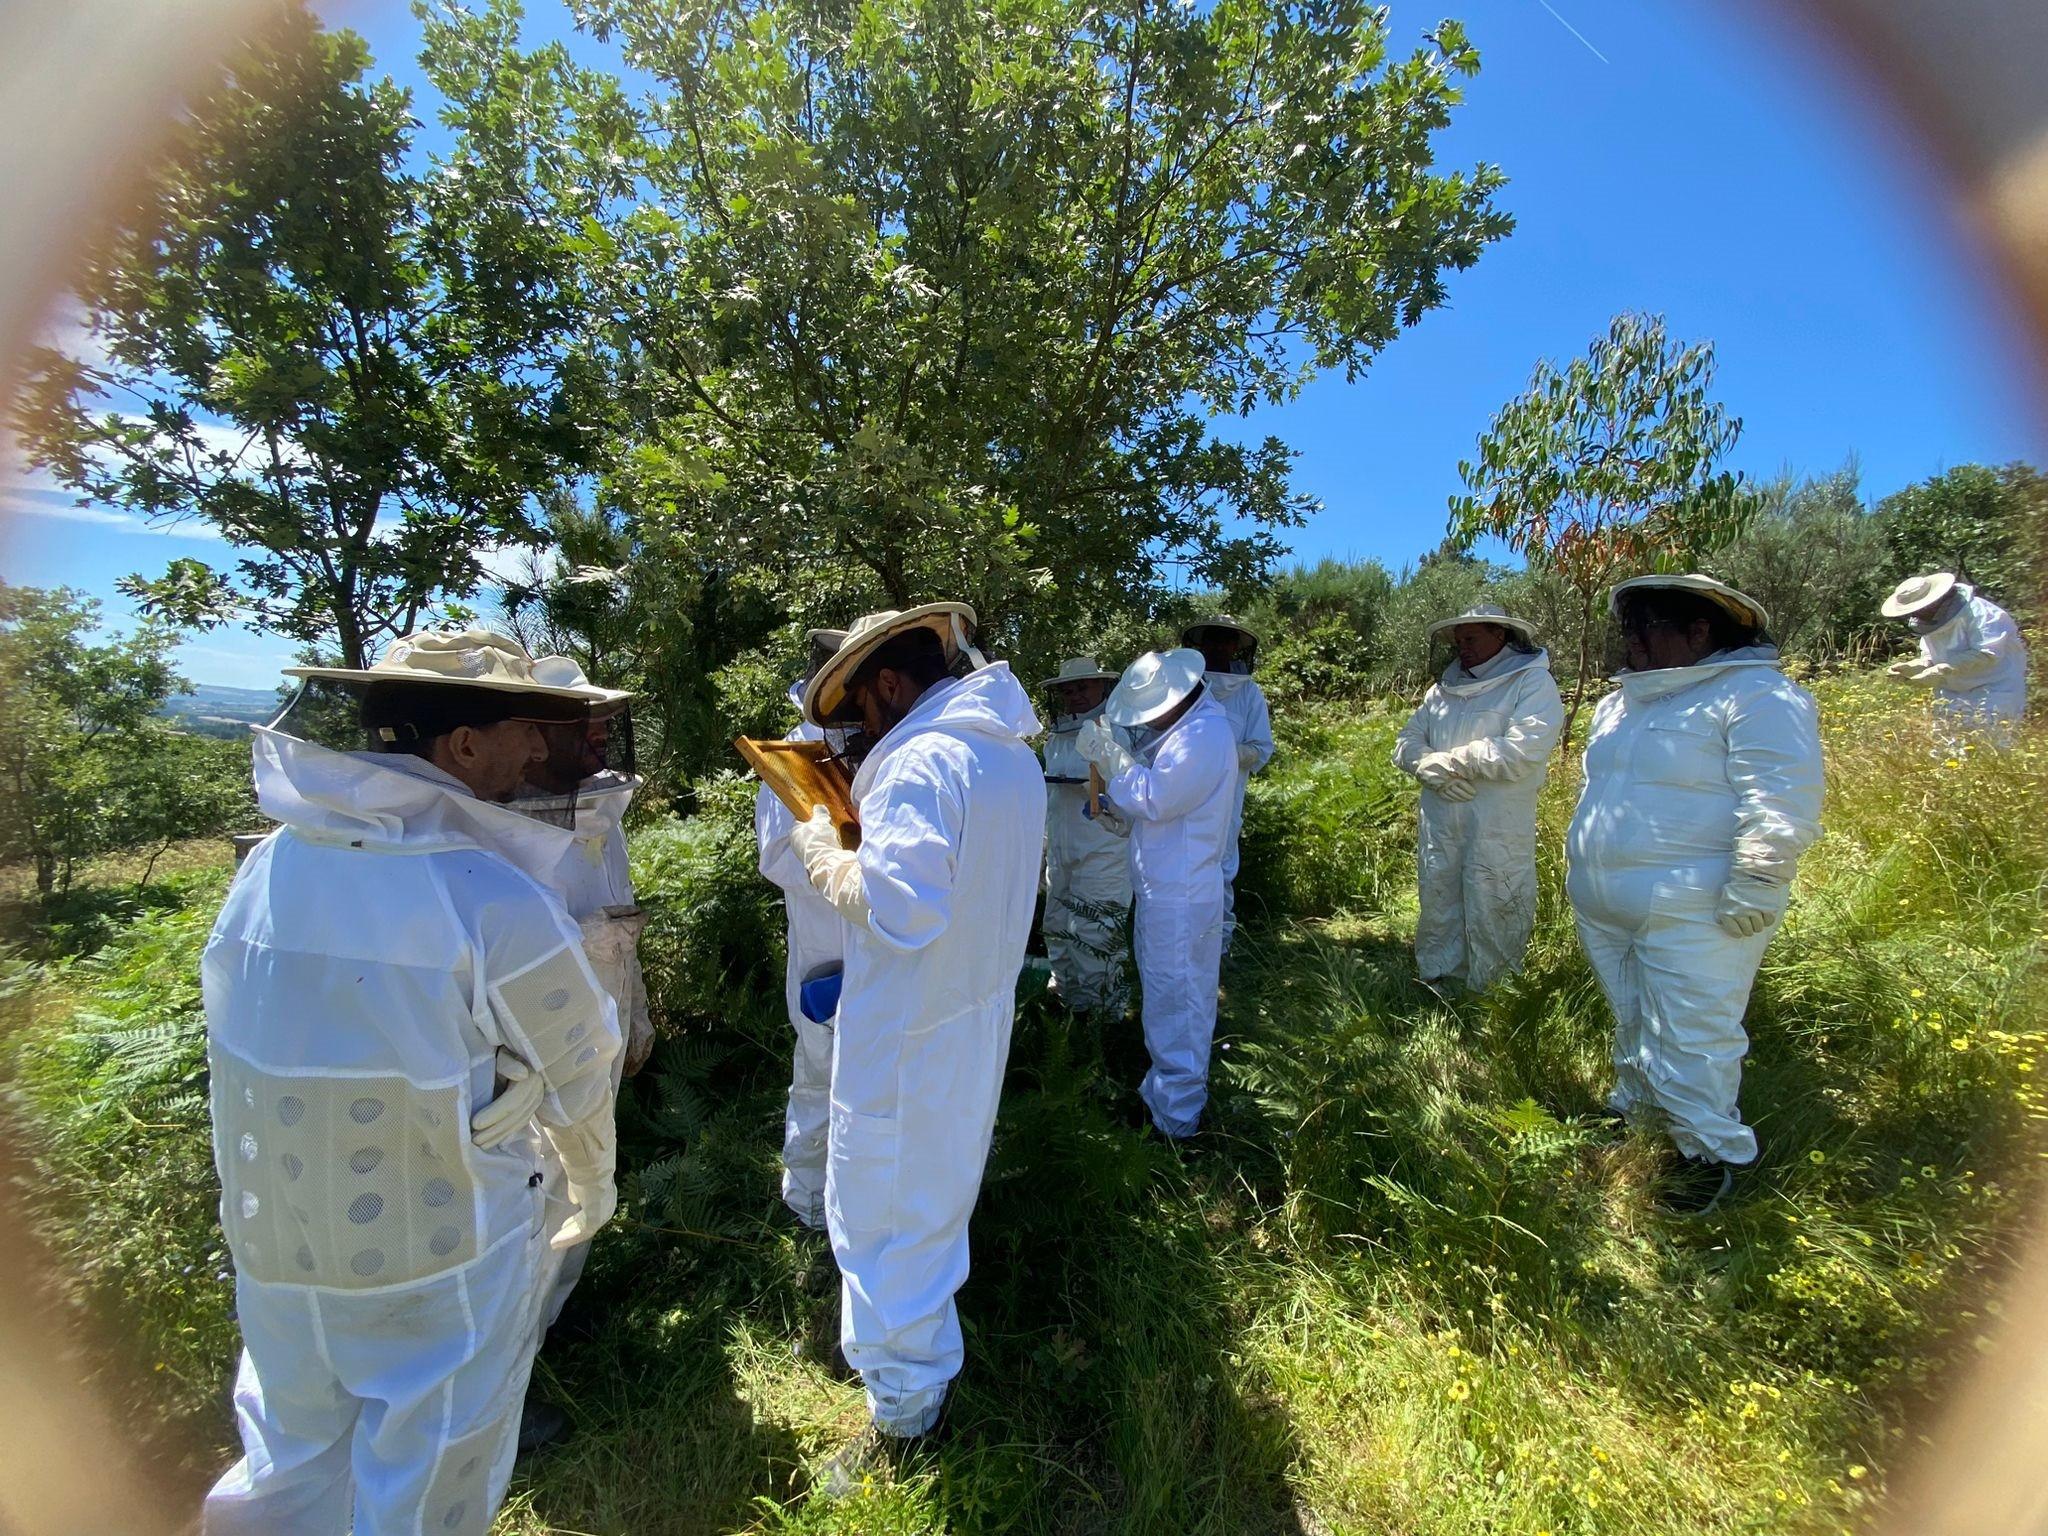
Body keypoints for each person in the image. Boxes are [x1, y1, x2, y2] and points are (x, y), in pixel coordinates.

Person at [202, 630, 622, 1536]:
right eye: (525, 728)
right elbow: (581, 1062)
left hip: (277, 1241)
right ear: (464, 745)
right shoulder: (485, 895)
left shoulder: (272, 864)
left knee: (287, 1462)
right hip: (440, 1257)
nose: (538, 749)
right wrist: (594, 1183)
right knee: (430, 1483)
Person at [785, 604, 1044, 1493]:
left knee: (883, 1220)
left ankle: (904, 1414)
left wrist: (826, 855)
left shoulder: (920, 760)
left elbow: (903, 908)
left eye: (859, 708)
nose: (859, 730)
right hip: (965, 1021)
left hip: (905, 1042)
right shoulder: (1005, 755)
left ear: (889, 684)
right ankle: (914, 1366)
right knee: (928, 1208)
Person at [1566, 576, 1823, 1216]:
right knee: (1632, 1016)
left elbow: (1781, 796)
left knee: (1695, 1031)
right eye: (1627, 627)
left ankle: (1704, 1155)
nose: (1630, 640)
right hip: (1608, 901)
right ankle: (1638, 1112)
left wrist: (1760, 878)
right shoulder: (1619, 704)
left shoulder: (1758, 696)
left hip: (1698, 906)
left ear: (1700, 630)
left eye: (1645, 626)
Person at [503, 656, 650, 1447]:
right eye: (580, 723)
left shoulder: (600, 807)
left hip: (597, 1028)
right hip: (529, 1058)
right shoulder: (492, 825)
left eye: (601, 721)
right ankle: (503, 1386)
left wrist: (637, 1014)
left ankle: (548, 1328)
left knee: (580, 1193)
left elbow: (619, 917)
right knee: (533, 1201)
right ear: (532, 735)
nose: (597, 735)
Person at [1075, 647, 1237, 1140]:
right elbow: (1163, 812)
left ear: (1177, 697)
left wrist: (1110, 757)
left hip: (1181, 897)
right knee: (1166, 997)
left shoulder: (1204, 734)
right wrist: (1117, 814)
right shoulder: (1184, 732)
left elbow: (1157, 796)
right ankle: (1163, 1098)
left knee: (1180, 1003)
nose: (1148, 721)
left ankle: (1178, 1123)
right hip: (1167, 893)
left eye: (1152, 710)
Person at [1392, 606, 1564, 993]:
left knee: (1496, 896)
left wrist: (1450, 762)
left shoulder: (1532, 682)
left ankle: (1494, 996)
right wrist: (1423, 764)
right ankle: (1440, 982)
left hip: (1497, 821)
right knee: (1439, 895)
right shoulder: (1441, 691)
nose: (1462, 648)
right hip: (1441, 818)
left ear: (1499, 635)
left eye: (1471, 638)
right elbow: (1406, 740)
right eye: (1458, 641)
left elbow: (1523, 750)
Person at [754, 628, 850, 1232]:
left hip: (881, 943)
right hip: (825, 943)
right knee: (819, 1074)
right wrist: (842, 864)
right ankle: (810, 1198)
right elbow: (777, 859)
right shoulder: (791, 757)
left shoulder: (881, 744)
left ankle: (856, 1199)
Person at [1038, 656, 1134, 1014]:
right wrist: (1044, 848)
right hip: (1062, 851)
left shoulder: (1115, 732)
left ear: (1102, 687)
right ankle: (1067, 1005)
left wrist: (1096, 788)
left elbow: (1130, 792)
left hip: (1103, 850)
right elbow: (1052, 798)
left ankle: (1104, 1017)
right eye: (1068, 690)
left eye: (1083, 687)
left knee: (1096, 931)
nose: (1075, 695)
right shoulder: (1056, 738)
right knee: (1057, 926)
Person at [1181, 616, 1274, 944]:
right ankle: (1182, 945)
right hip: (1179, 797)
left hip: (1225, 801)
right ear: (1201, 644)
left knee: (1218, 868)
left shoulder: (1249, 693)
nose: (1219, 647)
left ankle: (1218, 947)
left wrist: (1222, 752)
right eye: (1213, 639)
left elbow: (1261, 748)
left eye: (1226, 640)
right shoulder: (1183, 687)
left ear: (1236, 647)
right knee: (1179, 868)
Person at [1882, 571, 2028, 745]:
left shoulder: (1980, 613)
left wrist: (1941, 670)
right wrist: (1914, 667)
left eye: (1919, 609)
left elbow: (1987, 653)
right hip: (1950, 691)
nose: (1916, 614)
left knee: (1991, 745)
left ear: (1935, 600)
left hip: (1995, 688)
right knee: (1947, 748)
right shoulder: (1930, 624)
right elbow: (1931, 655)